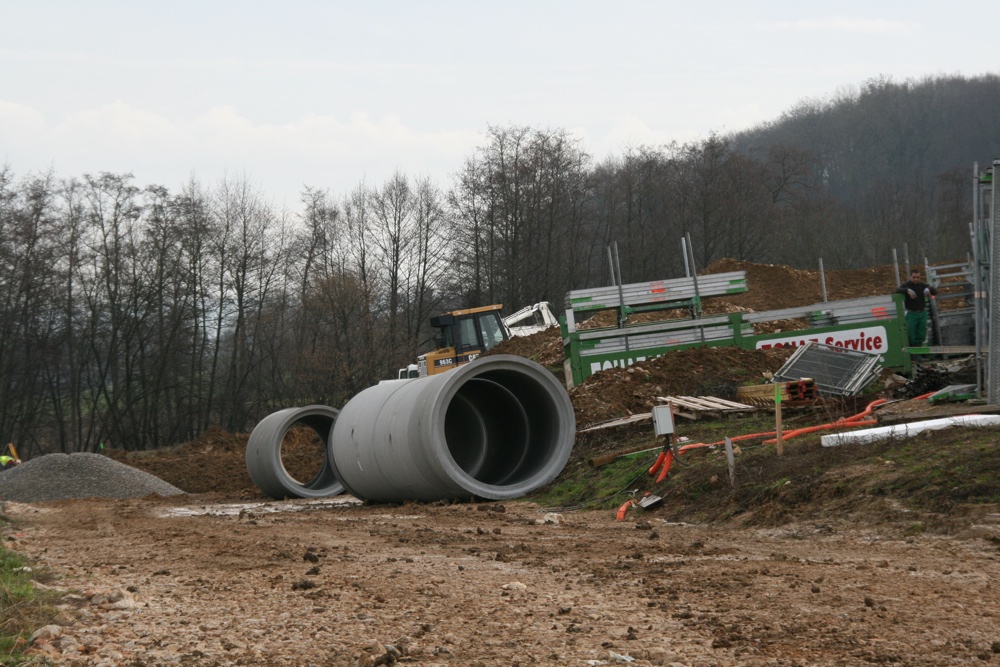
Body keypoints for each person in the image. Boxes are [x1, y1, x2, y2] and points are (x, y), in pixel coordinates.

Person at [896, 269, 937, 347]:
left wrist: (929, 289)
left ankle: (919, 352)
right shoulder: (906, 285)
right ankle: (913, 353)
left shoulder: (922, 285)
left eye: (918, 277)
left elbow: (935, 291)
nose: (916, 279)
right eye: (914, 277)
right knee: (911, 333)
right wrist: (907, 290)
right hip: (911, 313)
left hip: (922, 313)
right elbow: (897, 290)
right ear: (910, 276)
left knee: (921, 334)